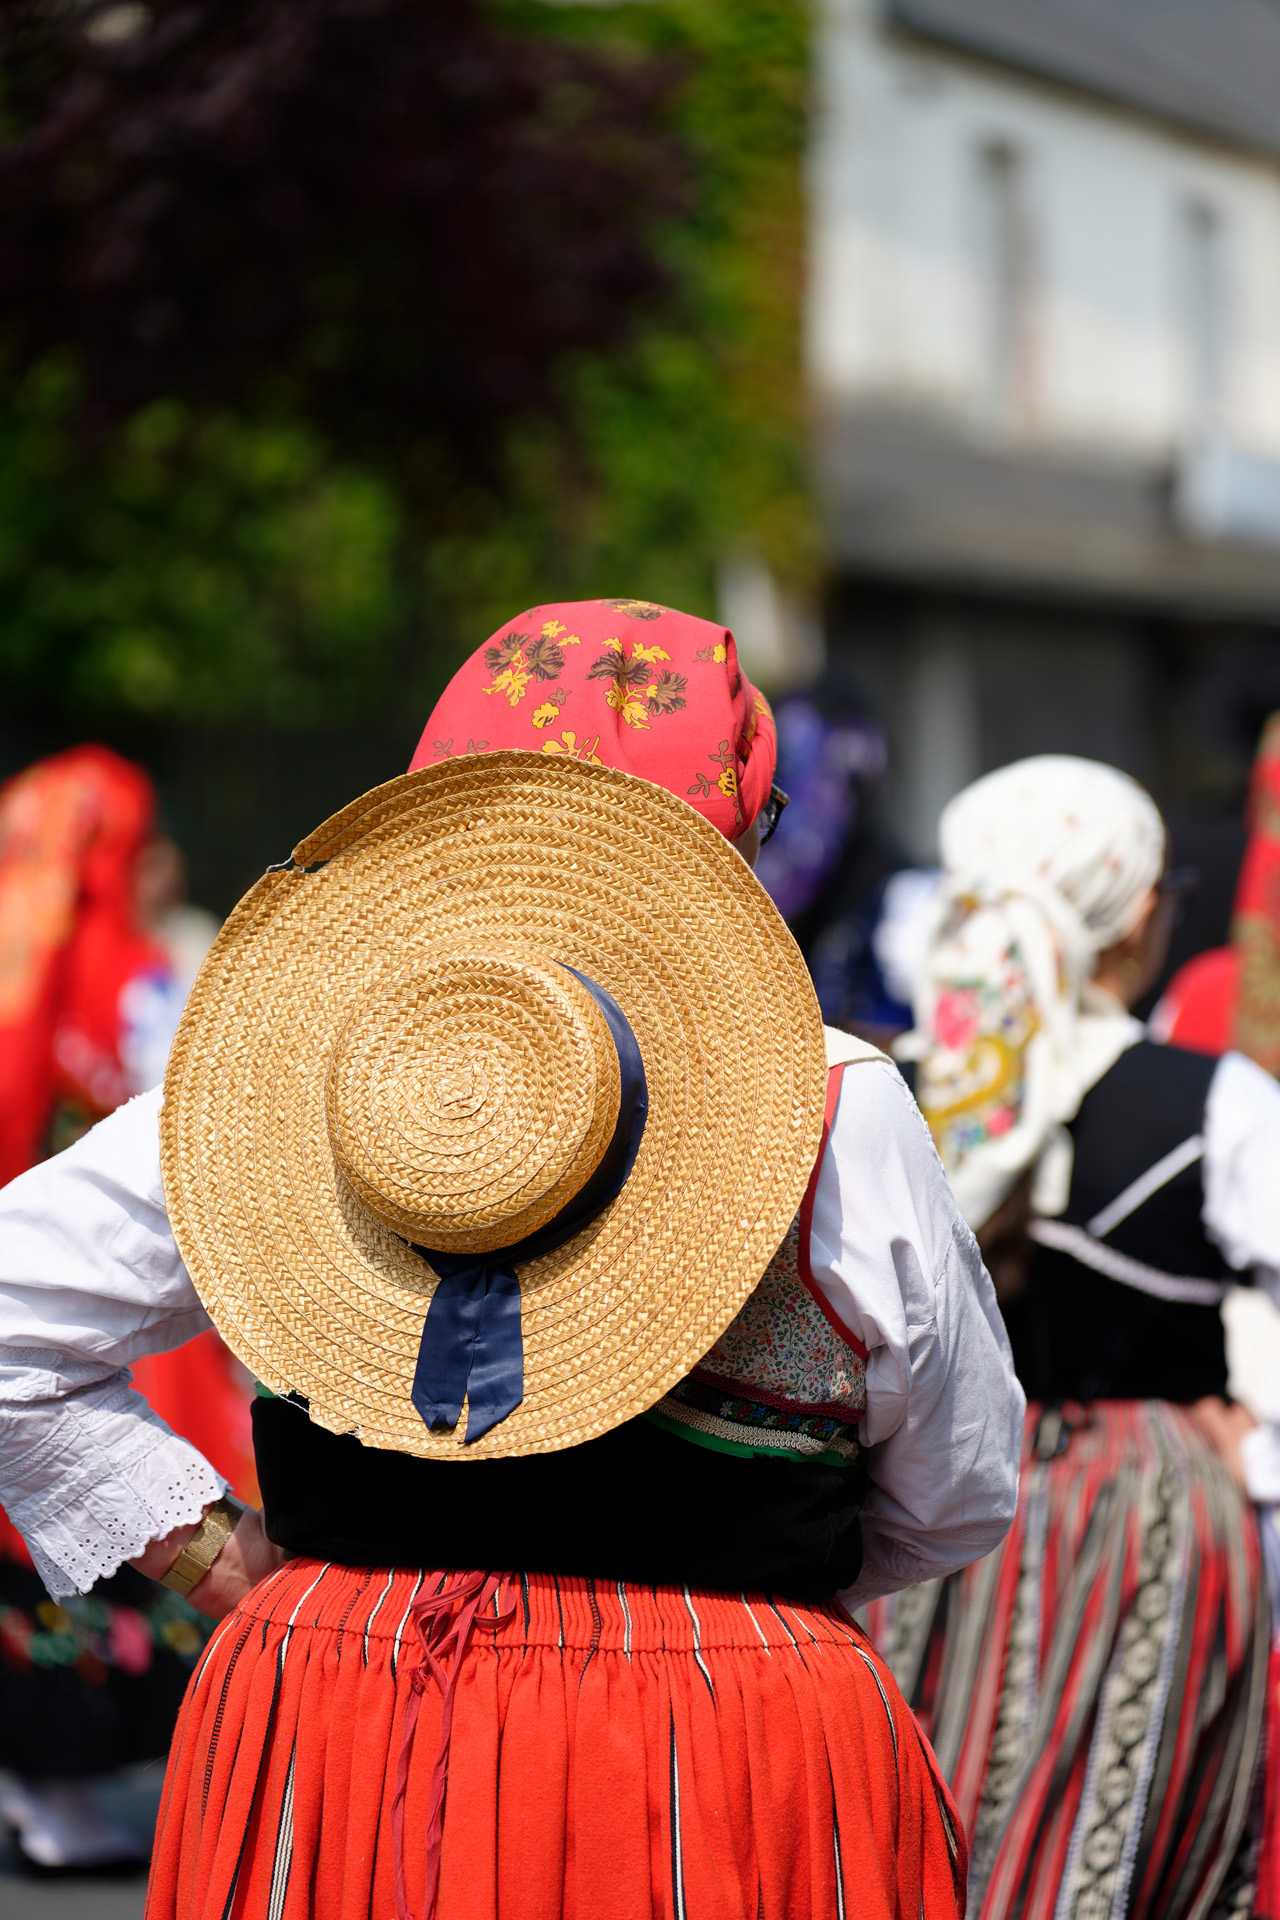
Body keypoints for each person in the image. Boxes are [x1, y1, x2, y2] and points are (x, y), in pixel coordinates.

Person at [0, 601, 1023, 1920]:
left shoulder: (287, 1065)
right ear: (732, 833)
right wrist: (744, 1579)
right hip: (714, 1737)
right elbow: (957, 1490)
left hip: (343, 1712)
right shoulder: (832, 1103)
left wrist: (233, 1564)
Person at [878, 754, 1275, 1919]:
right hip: (1147, 1520)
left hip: (924, 1513)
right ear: (1138, 915)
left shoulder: (884, 1090)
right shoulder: (1211, 1104)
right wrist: (1255, 1448)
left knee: (921, 1841)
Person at [0, 745, 253, 1871]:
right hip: (137, 1301)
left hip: (43, 1274)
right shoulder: (143, 983)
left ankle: (48, 1786)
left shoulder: (14, 982)